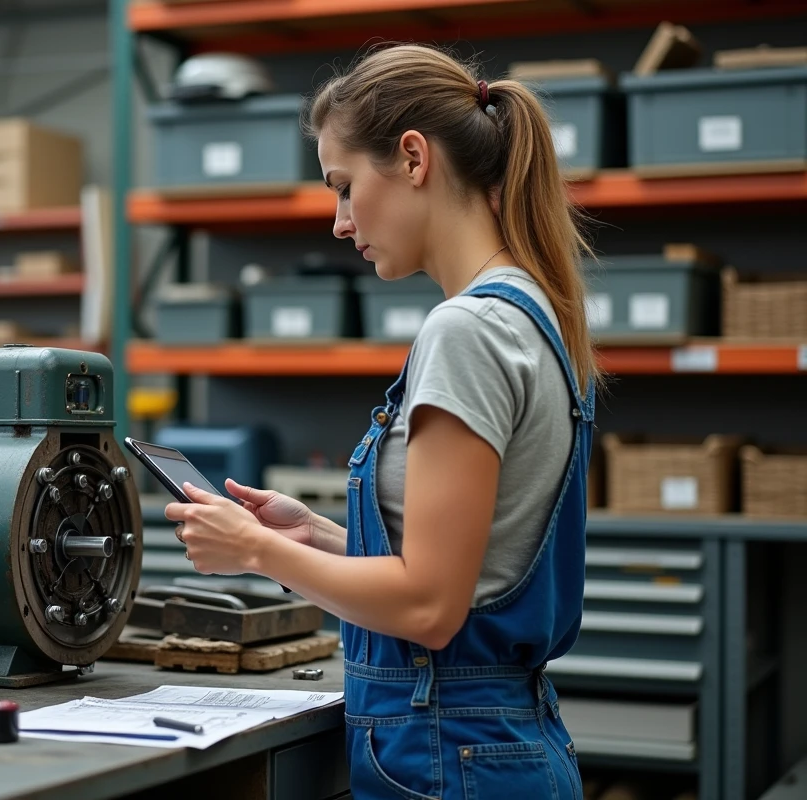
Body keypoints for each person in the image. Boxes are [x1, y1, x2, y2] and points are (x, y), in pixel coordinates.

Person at [165, 43, 598, 800]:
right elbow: (474, 566)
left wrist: (260, 552)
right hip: (490, 743)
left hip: (448, 748)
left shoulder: (466, 331)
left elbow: (430, 608)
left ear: (412, 157)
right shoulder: (528, 311)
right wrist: (321, 536)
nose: (338, 222)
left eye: (343, 187)